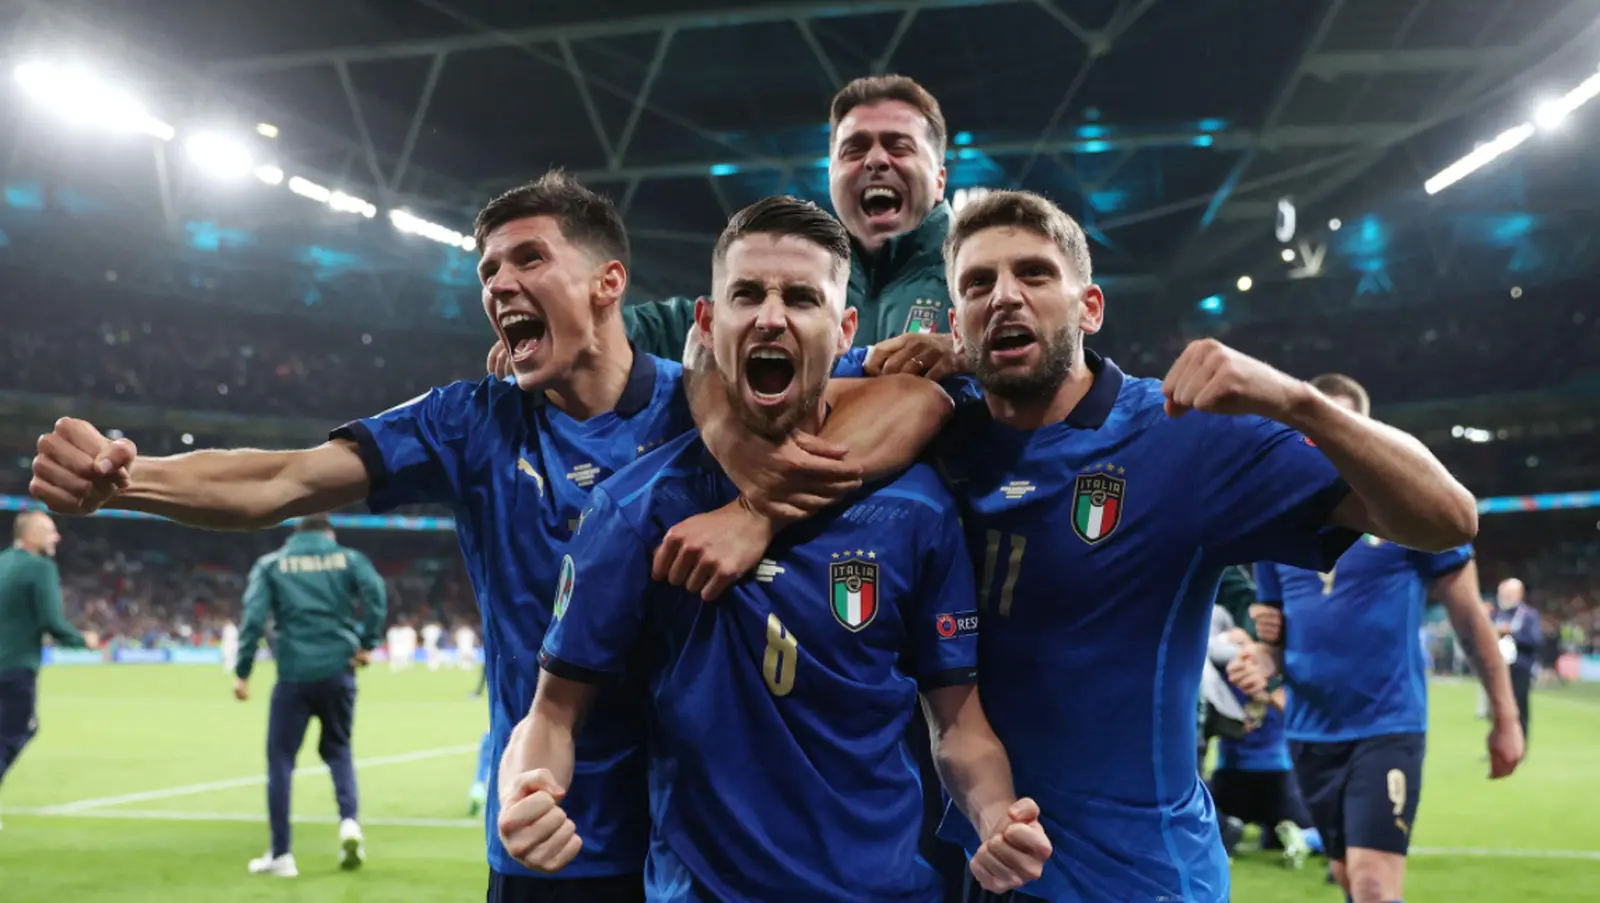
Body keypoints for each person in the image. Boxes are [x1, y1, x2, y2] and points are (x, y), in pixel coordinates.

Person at [28, 170, 951, 903]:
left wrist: (758, 508)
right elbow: (286, 478)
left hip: (698, 844)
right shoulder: (470, 422)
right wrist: (129, 481)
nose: (500, 283)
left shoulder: (710, 398)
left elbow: (912, 399)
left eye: (528, 259)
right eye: (488, 271)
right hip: (549, 825)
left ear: (608, 284)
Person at [811, 189, 1479, 902]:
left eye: (1034, 274)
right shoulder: (933, 424)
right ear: (956, 323)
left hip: (1137, 877)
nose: (1004, 295)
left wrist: (1296, 401)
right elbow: (769, 390)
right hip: (968, 861)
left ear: (1090, 307)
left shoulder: (1181, 434)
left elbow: (1448, 518)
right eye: (978, 284)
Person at [497, 195, 1050, 902]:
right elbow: (551, 713)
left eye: (801, 297)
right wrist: (525, 790)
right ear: (707, 324)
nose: (770, 316)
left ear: (844, 330)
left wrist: (995, 814)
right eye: (747, 294)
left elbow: (959, 723)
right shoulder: (634, 510)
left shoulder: (917, 508)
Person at [1233, 373, 1524, 903]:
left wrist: (1505, 716)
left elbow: (1471, 621)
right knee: (1348, 877)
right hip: (1308, 732)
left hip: (1387, 725)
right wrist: (1261, 660)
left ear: (1365, 432)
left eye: (1340, 424)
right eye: (1314, 427)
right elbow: (1276, 642)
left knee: (1372, 885)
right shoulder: (1277, 525)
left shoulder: (1405, 513)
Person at [493, 74, 965, 384]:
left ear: (940, 177)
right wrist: (563, 326)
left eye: (898, 146)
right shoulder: (803, 269)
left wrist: (966, 351)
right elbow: (675, 324)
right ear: (832, 175)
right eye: (854, 149)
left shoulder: (978, 267)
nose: (876, 160)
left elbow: (1016, 339)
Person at [234, 514, 387, 877]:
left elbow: (253, 618)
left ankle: (282, 854)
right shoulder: (348, 559)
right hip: (339, 669)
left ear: (295, 535)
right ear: (329, 534)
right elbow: (376, 594)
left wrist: (243, 672)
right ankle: (349, 823)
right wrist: (367, 643)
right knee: (338, 750)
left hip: (294, 673)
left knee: (281, 761)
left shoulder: (272, 564)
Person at [0, 511, 86, 827]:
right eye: (50, 531)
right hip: (15, 666)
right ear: (30, 535)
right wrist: (81, 640)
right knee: (17, 730)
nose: (57, 537)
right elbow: (51, 620)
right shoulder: (40, 567)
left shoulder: (2, 562)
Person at [1492, 577, 1539, 748]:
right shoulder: (1496, 614)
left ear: (1519, 595)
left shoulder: (1528, 615)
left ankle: (1520, 746)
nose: (1504, 598)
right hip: (1498, 668)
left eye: (1508, 594)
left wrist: (1510, 633)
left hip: (1520, 668)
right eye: (1502, 594)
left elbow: (1534, 640)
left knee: (1519, 707)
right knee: (1498, 709)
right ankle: (1498, 745)